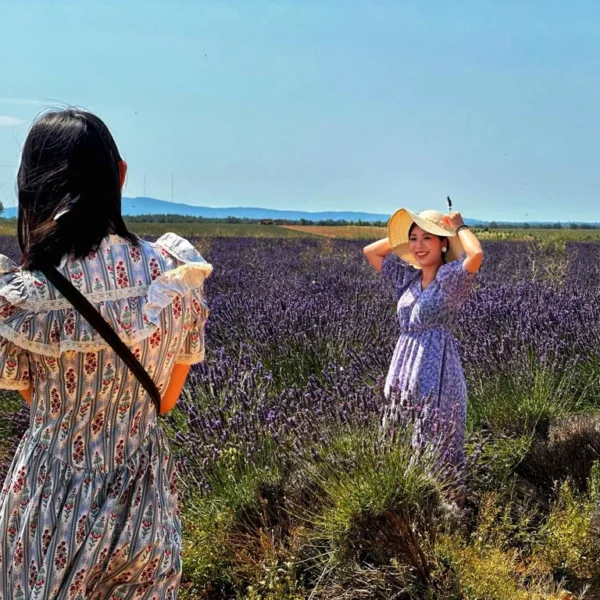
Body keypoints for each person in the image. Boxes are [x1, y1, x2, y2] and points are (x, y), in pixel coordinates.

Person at [0, 109, 212, 599]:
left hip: (48, 512)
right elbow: (164, 402)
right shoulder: (175, 277)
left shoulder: (28, 297)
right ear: (120, 175)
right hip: (145, 508)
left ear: (31, 188)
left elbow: (40, 405)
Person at [363, 208, 483, 469]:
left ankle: (449, 504)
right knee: (398, 438)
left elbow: (476, 255)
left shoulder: (450, 282)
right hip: (403, 370)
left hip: (436, 374)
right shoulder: (407, 280)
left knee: (435, 447)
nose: (418, 245)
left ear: (443, 244)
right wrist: (405, 239)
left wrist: (459, 227)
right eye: (413, 238)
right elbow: (371, 251)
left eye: (427, 238)